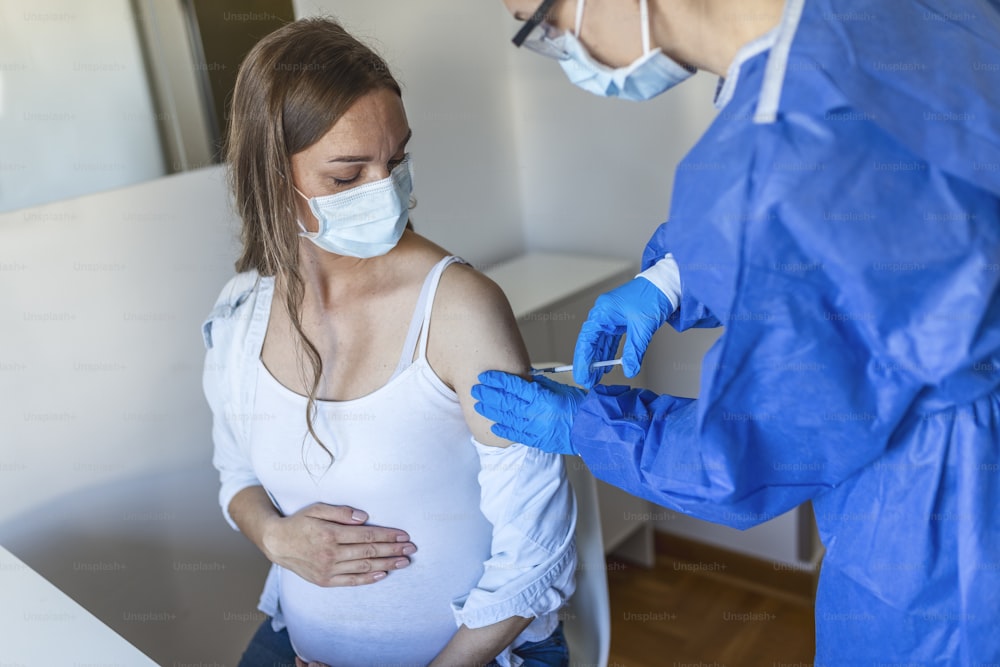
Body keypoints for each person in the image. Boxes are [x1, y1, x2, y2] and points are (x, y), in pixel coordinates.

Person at [473, 0, 1000, 664]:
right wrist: (669, 280)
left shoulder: (772, 145)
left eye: (541, 23)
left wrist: (589, 425)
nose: (559, 46)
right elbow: (880, 223)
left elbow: (745, 452)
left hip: (950, 531)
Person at [202, 18, 576, 667]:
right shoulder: (238, 316)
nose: (386, 193)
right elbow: (236, 476)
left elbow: (538, 556)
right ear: (268, 175)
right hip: (297, 644)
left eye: (396, 161)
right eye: (348, 177)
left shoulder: (460, 309)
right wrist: (274, 535)